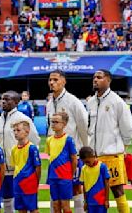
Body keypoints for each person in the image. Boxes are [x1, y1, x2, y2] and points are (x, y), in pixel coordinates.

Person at [87, 69, 132, 213]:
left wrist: (121, 148)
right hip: (95, 156)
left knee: (118, 192)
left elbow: (128, 129)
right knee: (96, 193)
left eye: (99, 77)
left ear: (108, 80)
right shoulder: (91, 102)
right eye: (94, 77)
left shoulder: (117, 101)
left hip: (112, 155)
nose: (95, 80)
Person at [47, 70, 88, 213]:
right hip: (54, 156)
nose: (52, 82)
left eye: (56, 79)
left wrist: (85, 150)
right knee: (55, 190)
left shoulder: (73, 101)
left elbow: (84, 126)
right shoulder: (49, 103)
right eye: (50, 80)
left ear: (64, 81)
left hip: (72, 154)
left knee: (76, 187)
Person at [0, 90, 40, 212]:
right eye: (2, 99)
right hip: (3, 166)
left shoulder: (22, 118)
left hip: (19, 168)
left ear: (16, 102)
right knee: (6, 197)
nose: (3, 102)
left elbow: (35, 139)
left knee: (25, 202)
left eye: (7, 99)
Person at [46, 112, 78, 213]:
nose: (53, 124)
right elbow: (50, 157)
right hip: (53, 177)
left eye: (56, 122)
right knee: (55, 205)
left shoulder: (68, 140)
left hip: (65, 177)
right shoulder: (49, 140)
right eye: (52, 121)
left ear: (64, 124)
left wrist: (71, 174)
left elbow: (74, 158)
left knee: (65, 206)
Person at [11, 120, 41, 213]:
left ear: (27, 131)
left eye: (18, 130)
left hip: (29, 183)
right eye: (14, 130)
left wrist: (35, 182)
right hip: (17, 182)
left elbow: (38, 167)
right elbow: (14, 166)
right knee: (21, 208)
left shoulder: (32, 148)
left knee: (33, 209)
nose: (16, 133)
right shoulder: (14, 149)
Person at [79, 146, 110, 213]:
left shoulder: (102, 167)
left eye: (88, 161)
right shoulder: (84, 169)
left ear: (93, 156)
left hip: (101, 201)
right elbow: (84, 186)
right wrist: (85, 201)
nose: (87, 164)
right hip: (90, 202)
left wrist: (107, 200)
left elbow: (107, 184)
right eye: (84, 162)